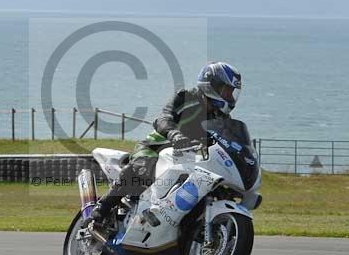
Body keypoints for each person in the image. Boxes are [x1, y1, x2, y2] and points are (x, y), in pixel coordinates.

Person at [87, 61, 242, 227]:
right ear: (212, 85)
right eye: (226, 90)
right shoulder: (186, 97)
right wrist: (174, 134)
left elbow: (229, 143)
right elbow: (163, 118)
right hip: (155, 147)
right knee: (143, 168)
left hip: (190, 159)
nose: (229, 96)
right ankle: (102, 209)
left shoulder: (223, 119)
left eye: (231, 92)